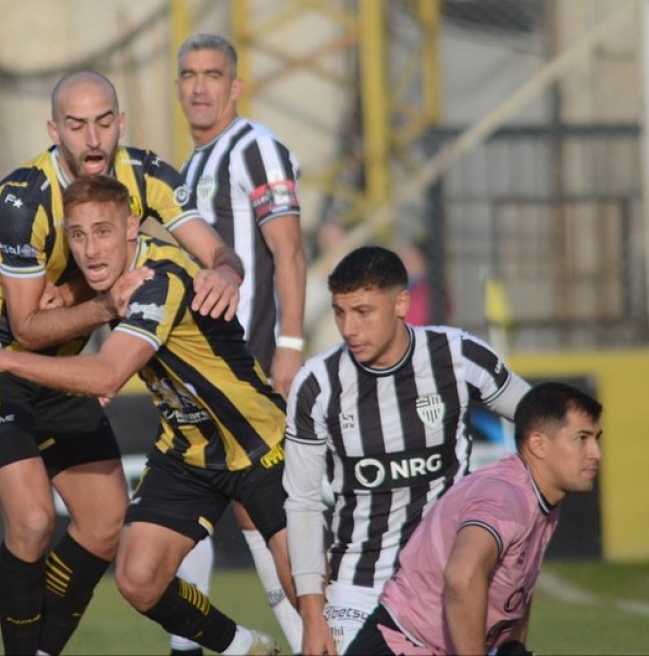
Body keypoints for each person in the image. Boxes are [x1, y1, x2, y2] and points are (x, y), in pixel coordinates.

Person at [0, 70, 244, 656]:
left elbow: (215, 250)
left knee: (106, 524)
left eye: (104, 122)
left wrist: (227, 271)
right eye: (77, 125)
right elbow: (28, 325)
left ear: (121, 123)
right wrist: (105, 302)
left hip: (64, 365)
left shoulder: (148, 174)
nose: (93, 139)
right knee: (32, 521)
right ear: (54, 130)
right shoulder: (21, 200)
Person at [0, 174, 293, 655]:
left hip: (258, 447)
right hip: (189, 452)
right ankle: (244, 647)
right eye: (77, 235)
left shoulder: (157, 280)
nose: (90, 249)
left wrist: (1, 358)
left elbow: (108, 374)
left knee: (307, 590)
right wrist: (76, 299)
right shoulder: (117, 278)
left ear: (132, 227)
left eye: (103, 231)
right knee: (137, 579)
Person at [282, 245, 532, 655]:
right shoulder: (317, 383)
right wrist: (313, 616)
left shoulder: (458, 356)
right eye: (340, 312)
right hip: (358, 589)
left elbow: (542, 424)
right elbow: (303, 503)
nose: (349, 328)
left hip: (448, 583)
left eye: (363, 312)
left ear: (401, 303)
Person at [174, 33, 307, 655]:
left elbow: (289, 250)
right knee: (190, 519)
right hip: (201, 377)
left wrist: (288, 345)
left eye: (213, 74)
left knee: (269, 523)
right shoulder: (194, 164)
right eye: (189, 75)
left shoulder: (256, 148)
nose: (200, 87)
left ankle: (318, 642)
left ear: (236, 85)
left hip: (250, 369)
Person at [346, 381, 603, 655]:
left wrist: (513, 645)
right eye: (582, 439)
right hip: (401, 644)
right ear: (538, 444)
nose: (595, 453)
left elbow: (516, 588)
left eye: (597, 439)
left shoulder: (541, 498)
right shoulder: (504, 497)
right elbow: (461, 577)